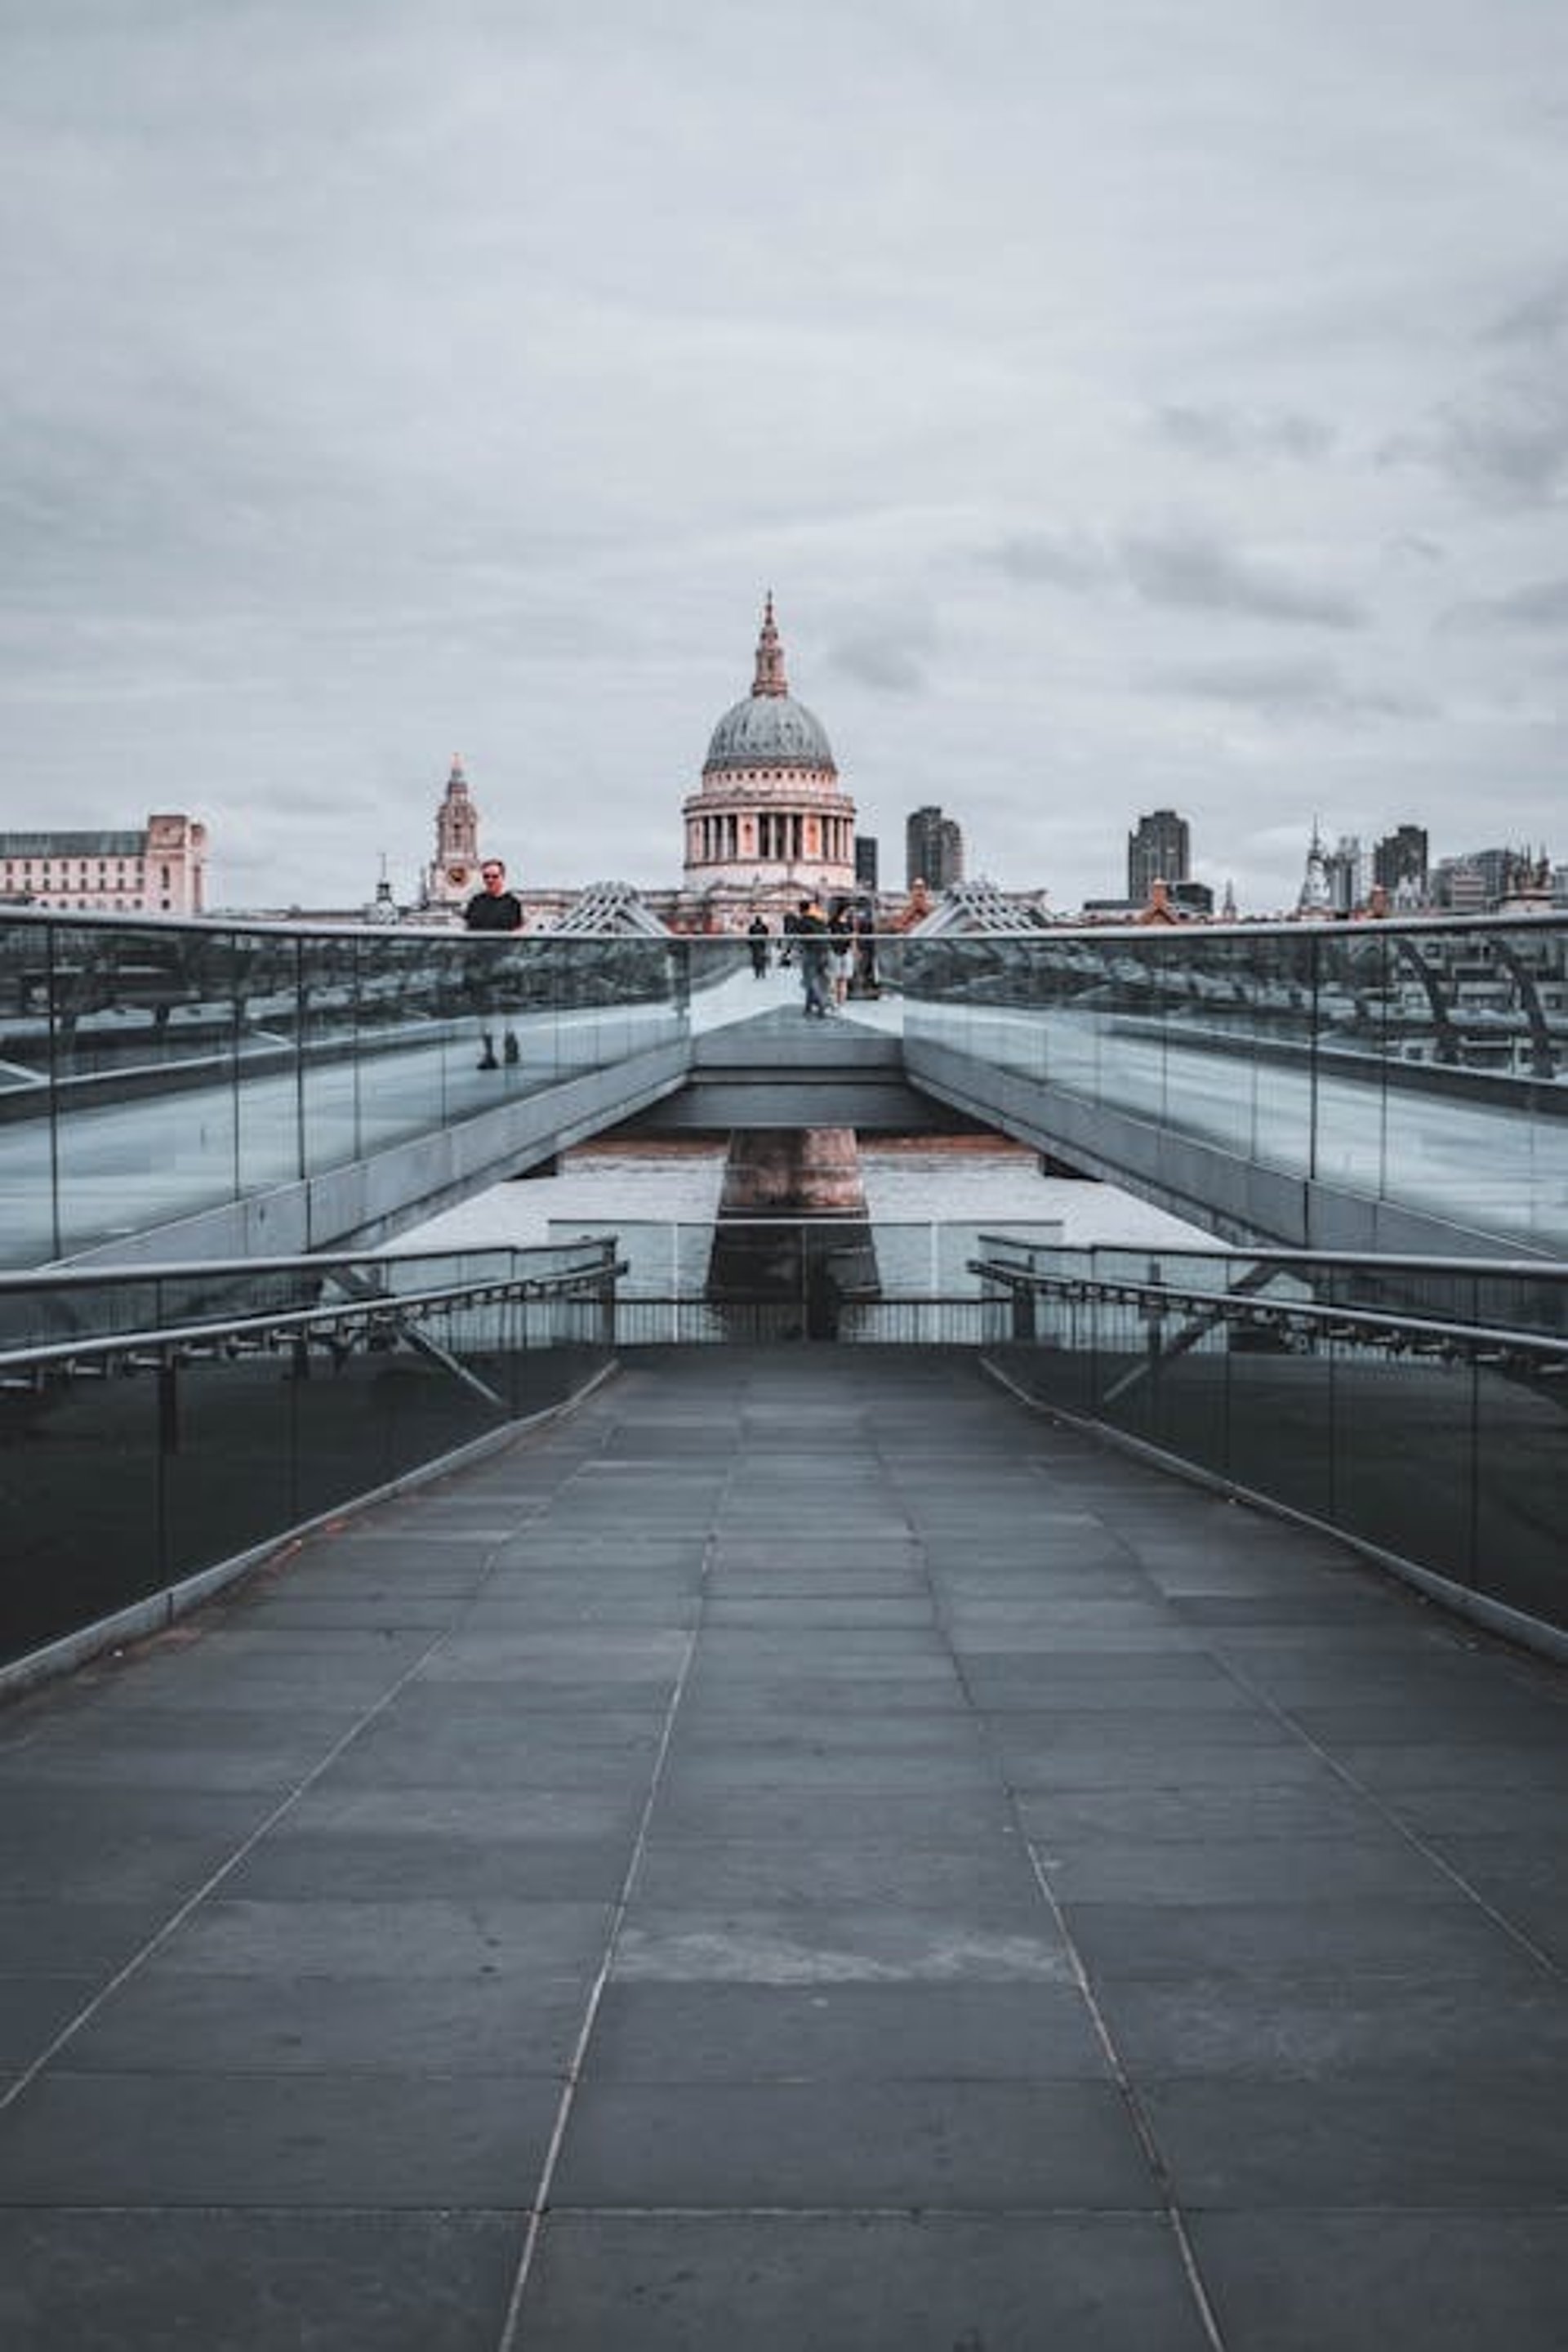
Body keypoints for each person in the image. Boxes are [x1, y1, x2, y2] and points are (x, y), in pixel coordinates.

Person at [463, 858, 524, 1068]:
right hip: (479, 965)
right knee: (484, 1013)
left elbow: (517, 934)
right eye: (486, 876)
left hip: (503, 964)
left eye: (494, 876)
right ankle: (489, 1054)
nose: (490, 880)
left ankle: (510, 1037)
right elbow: (467, 932)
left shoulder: (512, 904)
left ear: (502, 877)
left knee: (506, 1008)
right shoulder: (476, 902)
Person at [794, 896, 831, 1018]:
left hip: (811, 953)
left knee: (810, 980)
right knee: (815, 979)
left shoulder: (801, 921)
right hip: (824, 952)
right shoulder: (818, 920)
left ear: (800, 910)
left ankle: (821, 1004)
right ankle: (808, 1007)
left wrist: (794, 953)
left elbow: (799, 940)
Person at [747, 911, 770, 978]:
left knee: (760, 959)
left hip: (760, 945)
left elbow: (767, 934)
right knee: (758, 959)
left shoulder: (762, 927)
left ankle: (761, 972)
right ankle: (759, 972)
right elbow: (750, 936)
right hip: (757, 945)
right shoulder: (761, 927)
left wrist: (750, 944)